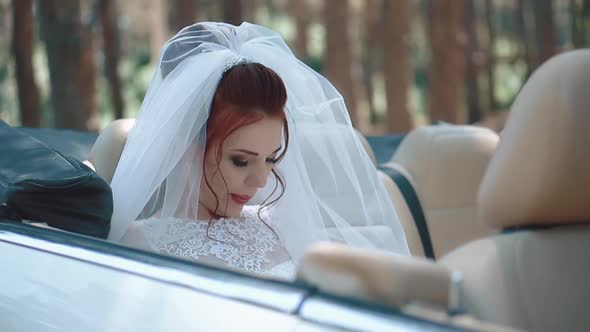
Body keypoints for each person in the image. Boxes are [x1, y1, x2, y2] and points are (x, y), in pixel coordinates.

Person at [106, 22, 410, 279]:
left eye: (271, 159)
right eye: (241, 161)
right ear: (186, 146)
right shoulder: (137, 242)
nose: (261, 181)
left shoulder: (282, 224)